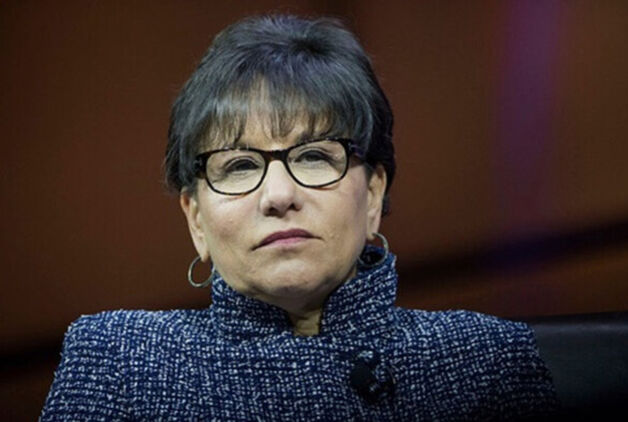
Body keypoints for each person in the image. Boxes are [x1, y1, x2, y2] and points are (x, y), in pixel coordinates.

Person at [41, 15, 558, 420]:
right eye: (240, 166)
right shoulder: (121, 361)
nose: (279, 195)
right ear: (196, 219)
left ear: (372, 194)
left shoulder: (489, 360)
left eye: (313, 156)